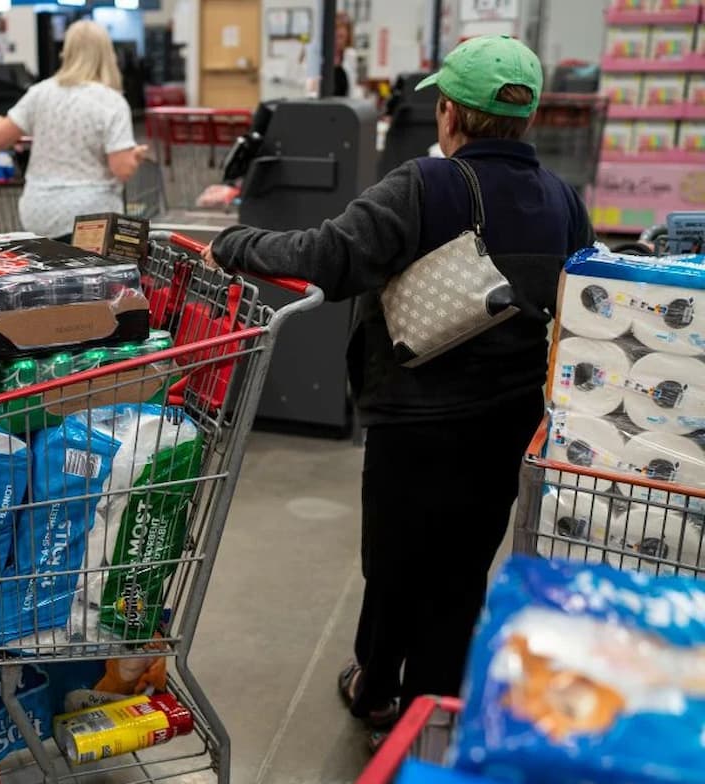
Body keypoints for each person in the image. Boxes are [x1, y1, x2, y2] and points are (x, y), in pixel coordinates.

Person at [203, 36, 595, 745]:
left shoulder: (424, 184)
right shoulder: (563, 201)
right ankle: (429, 707)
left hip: (413, 420)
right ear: (527, 119)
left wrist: (234, 244)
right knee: (464, 563)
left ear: (449, 113)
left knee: (394, 560)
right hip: (509, 418)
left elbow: (325, 256)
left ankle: (376, 687)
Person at [0, 20, 148, 239]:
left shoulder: (40, 92)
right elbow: (122, 169)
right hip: (92, 219)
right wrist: (135, 156)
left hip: (38, 212)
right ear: (107, 55)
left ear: (65, 52)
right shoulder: (112, 101)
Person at [332, 11, 355, 97]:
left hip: (342, 107)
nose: (339, 42)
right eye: (337, 37)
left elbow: (352, 88)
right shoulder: (317, 56)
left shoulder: (350, 55)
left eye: (342, 37)